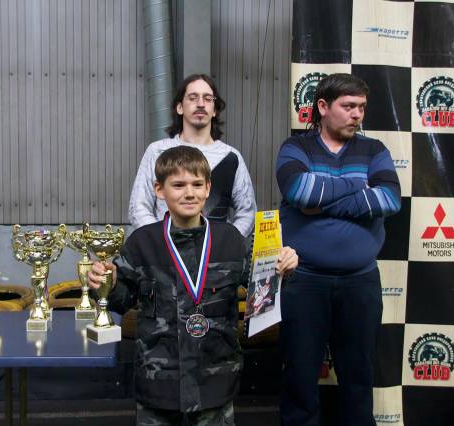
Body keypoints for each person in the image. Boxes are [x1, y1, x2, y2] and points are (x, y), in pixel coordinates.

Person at [89, 145, 298, 425]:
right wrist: (108, 284)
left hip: (215, 380)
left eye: (197, 184)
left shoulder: (230, 241)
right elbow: (121, 300)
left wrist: (284, 268)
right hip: (159, 382)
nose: (189, 193)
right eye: (178, 185)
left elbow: (262, 292)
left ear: (208, 187)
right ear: (159, 190)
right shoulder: (142, 243)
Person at [275, 73, 401, 425]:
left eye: (361, 107)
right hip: (304, 281)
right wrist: (358, 187)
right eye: (348, 106)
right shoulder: (295, 148)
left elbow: (390, 199)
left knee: (359, 380)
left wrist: (321, 199)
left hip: (360, 283)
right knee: (299, 378)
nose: (357, 114)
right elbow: (299, 191)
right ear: (323, 106)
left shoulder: (374, 150)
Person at [128, 74, 256, 237]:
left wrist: (227, 243)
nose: (201, 104)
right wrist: (160, 241)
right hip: (166, 249)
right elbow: (138, 208)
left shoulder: (231, 156)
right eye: (193, 98)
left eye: (208, 98)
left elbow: (247, 212)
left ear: (214, 110)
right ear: (180, 107)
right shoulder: (157, 151)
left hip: (216, 251)